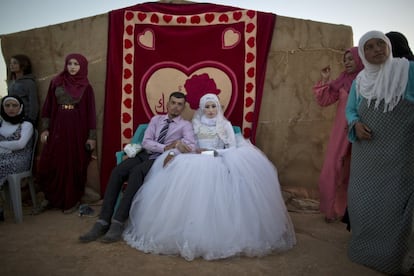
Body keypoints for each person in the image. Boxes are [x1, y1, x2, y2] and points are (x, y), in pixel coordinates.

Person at [123, 93, 296, 261]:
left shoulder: (225, 125)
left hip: (219, 157)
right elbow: (191, 145)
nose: (211, 110)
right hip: (197, 158)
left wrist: (211, 152)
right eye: (207, 106)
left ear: (219, 107)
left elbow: (232, 148)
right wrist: (182, 152)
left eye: (214, 106)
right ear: (202, 108)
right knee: (181, 175)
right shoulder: (195, 123)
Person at [79, 91, 196, 243]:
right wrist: (166, 147)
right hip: (144, 154)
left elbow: (191, 146)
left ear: (183, 107)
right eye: (173, 103)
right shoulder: (156, 120)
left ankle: (118, 222)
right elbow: (146, 142)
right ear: (167, 104)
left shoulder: (185, 125)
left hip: (159, 160)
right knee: (117, 171)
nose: (175, 107)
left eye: (179, 104)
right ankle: (103, 221)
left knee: (136, 173)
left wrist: (176, 147)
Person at [345, 30, 414, 275]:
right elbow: (351, 110)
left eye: (380, 44)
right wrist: (356, 124)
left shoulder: (407, 71)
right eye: (370, 47)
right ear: (363, 53)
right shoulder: (360, 81)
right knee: (362, 201)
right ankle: (364, 252)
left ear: (389, 46)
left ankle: (394, 258)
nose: (376, 50)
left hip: (400, 153)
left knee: (395, 206)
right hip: (367, 155)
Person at [37, 53, 97, 214]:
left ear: (82, 66)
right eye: (70, 63)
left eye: (76, 64)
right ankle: (51, 198)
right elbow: (48, 107)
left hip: (77, 129)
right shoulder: (56, 82)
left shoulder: (86, 86)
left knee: (73, 162)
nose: (72, 67)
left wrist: (91, 137)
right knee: (53, 161)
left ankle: (71, 200)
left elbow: (91, 113)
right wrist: (45, 129)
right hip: (58, 127)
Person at [312, 47, 363, 223]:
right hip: (341, 134)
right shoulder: (342, 80)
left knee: (356, 172)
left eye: (351, 59)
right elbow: (324, 100)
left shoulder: (370, 80)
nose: (347, 62)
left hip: (362, 134)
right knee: (334, 169)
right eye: (345, 60)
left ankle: (353, 213)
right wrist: (325, 80)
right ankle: (332, 210)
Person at [0, 95, 34, 189]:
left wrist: (1, 145)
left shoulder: (26, 124)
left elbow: (20, 144)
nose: (11, 108)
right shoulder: (1, 124)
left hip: (20, 159)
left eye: (15, 105)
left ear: (20, 107)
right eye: (7, 105)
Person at [7, 54, 39, 124]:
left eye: (15, 63)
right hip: (12, 119)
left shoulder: (29, 82)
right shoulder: (11, 83)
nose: (11, 65)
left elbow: (33, 104)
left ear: (23, 65)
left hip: (25, 119)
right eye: (10, 63)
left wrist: (31, 120)